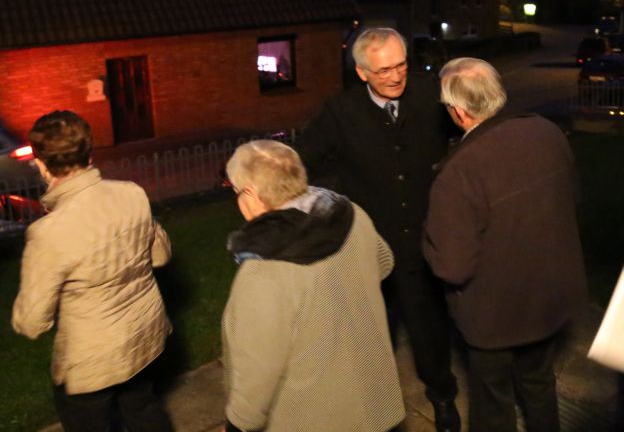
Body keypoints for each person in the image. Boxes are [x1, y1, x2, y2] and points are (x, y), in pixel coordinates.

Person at [295, 27, 459, 431]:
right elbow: (303, 162)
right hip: (370, 246)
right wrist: (336, 201)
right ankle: (374, 405)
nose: (396, 76)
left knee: (429, 329)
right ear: (362, 72)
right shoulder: (341, 111)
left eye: (401, 64)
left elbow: (473, 131)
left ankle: (442, 397)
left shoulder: (431, 95)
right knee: (371, 331)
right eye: (384, 70)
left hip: (425, 240)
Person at [423, 57, 587, 432]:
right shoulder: (547, 132)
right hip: (549, 300)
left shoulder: (459, 173)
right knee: (539, 385)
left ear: (458, 112)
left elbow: (452, 266)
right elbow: (570, 202)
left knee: (493, 406)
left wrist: (427, 237)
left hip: (494, 318)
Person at [222, 140, 405, 432]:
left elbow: (258, 370)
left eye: (233, 189)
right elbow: (384, 263)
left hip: (312, 417)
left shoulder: (262, 272)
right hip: (374, 402)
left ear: (251, 195)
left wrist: (239, 424)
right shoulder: (352, 216)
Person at [12, 110, 174, 432]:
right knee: (143, 410)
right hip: (144, 338)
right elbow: (161, 255)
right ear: (89, 152)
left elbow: (32, 322)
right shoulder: (132, 193)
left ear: (42, 164)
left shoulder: (49, 232)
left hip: (91, 363)